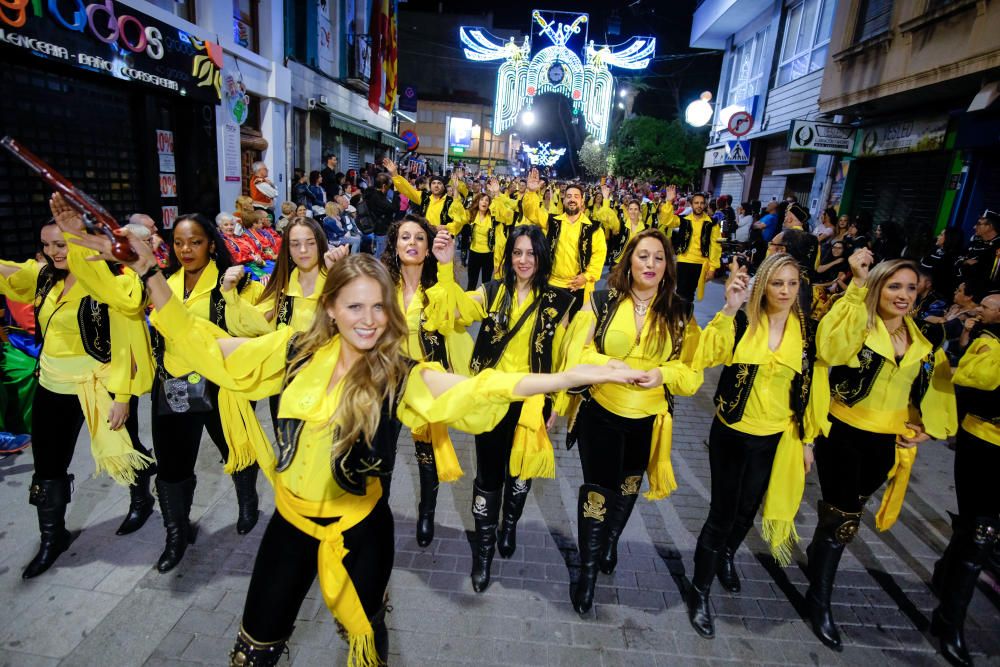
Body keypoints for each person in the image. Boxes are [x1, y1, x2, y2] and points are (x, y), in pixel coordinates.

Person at [117, 230, 642, 665]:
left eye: (378, 307)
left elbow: (480, 390)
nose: (368, 319)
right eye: (354, 306)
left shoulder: (400, 375)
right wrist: (149, 274)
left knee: (367, 649)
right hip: (291, 528)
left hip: (362, 532)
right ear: (330, 307)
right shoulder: (293, 351)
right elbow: (203, 346)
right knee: (253, 650)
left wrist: (571, 375)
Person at [805, 250, 957, 652]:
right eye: (894, 286)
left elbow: (933, 389)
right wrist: (855, 288)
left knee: (846, 513)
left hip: (885, 443)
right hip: (844, 434)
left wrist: (926, 428)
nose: (904, 294)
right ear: (878, 287)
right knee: (844, 518)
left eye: (910, 287)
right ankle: (818, 601)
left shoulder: (924, 338)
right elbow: (830, 350)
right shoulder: (858, 323)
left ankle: (819, 552)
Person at [0, 198, 156, 578]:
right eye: (48, 245)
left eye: (62, 244)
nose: (53, 252)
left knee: (127, 449)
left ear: (80, 244)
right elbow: (10, 272)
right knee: (49, 464)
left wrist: (122, 397)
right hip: (53, 385)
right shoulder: (42, 277)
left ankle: (141, 499)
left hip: (102, 385)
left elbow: (128, 341)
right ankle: (52, 537)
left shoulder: (112, 282)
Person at [562, 229, 703, 614]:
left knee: (627, 487)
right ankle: (588, 573)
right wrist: (606, 364)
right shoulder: (602, 302)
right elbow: (578, 354)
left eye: (659, 258)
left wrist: (664, 375)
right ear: (629, 260)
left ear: (668, 266)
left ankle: (610, 542)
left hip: (649, 420)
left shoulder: (681, 312)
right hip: (601, 413)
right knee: (598, 489)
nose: (651, 265)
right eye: (643, 256)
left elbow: (692, 374)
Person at [686, 254, 825, 638]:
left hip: (778, 437)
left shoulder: (808, 332)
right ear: (763, 284)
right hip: (732, 430)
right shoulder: (744, 320)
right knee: (722, 513)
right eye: (777, 283)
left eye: (792, 284)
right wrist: (729, 309)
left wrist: (808, 441)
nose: (784, 291)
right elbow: (706, 354)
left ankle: (729, 555)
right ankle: (700, 591)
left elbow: (813, 388)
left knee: (748, 508)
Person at [448, 226, 575, 591]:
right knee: (488, 476)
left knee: (520, 472)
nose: (523, 260)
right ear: (509, 257)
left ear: (542, 258)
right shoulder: (492, 291)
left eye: (531, 254)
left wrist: (556, 401)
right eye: (517, 253)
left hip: (532, 401)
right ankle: (484, 551)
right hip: (492, 398)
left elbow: (562, 357)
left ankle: (510, 524)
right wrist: (445, 267)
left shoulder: (558, 301)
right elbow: (458, 310)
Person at [382, 215, 474, 546]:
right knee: (384, 453)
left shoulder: (437, 288)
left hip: (425, 380)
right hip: (388, 380)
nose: (411, 243)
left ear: (428, 248)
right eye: (404, 236)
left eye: (419, 238)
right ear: (394, 246)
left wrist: (447, 266)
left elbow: (451, 316)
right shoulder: (381, 287)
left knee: (426, 454)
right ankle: (378, 514)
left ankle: (426, 513)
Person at [931, 292, 1000, 667]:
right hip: (984, 442)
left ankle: (945, 574)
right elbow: (978, 379)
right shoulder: (990, 343)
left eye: (986, 307)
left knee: (978, 529)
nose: (979, 311)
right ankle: (949, 621)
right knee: (981, 531)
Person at [520, 168, 608, 316]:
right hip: (553, 283)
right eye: (568, 196)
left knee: (574, 331)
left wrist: (585, 277)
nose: (572, 199)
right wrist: (531, 192)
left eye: (576, 196)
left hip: (579, 286)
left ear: (582, 201)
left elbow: (599, 255)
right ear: (564, 200)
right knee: (548, 328)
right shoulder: (553, 222)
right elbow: (532, 212)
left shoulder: (594, 229)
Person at [662, 192, 721, 303]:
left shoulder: (712, 224)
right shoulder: (684, 220)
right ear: (691, 204)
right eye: (696, 203)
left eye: (702, 203)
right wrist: (669, 202)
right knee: (681, 292)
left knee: (688, 294)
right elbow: (666, 220)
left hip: (701, 263)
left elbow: (715, 247)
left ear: (705, 205)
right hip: (683, 261)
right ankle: (682, 317)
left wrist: (713, 268)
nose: (699, 205)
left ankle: (684, 317)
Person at [384, 158, 468, 231]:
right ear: (430, 186)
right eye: (434, 183)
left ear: (443, 187)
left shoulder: (450, 201)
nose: (436, 185)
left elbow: (461, 219)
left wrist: (447, 227)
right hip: (426, 237)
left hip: (442, 240)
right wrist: (395, 174)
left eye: (439, 183)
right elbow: (407, 190)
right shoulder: (424, 197)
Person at [959, 209, 999, 297]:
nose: (974, 227)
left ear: (990, 226)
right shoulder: (975, 241)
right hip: (961, 288)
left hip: (982, 295)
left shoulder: (997, 246)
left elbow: (991, 276)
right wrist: (966, 262)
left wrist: (974, 266)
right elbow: (958, 259)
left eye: (978, 224)